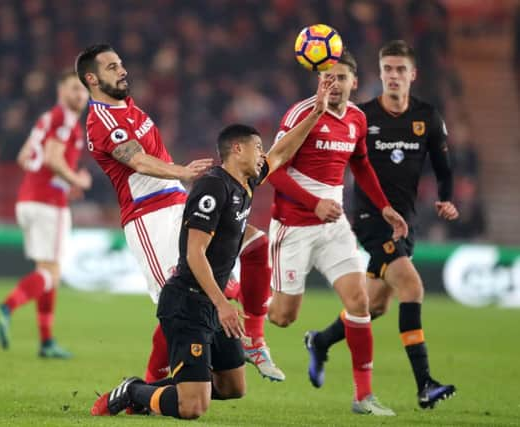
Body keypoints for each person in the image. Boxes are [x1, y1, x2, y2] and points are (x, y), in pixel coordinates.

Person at [90, 76, 334, 419]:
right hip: (189, 302)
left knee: (233, 387)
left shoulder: (245, 183)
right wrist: (223, 304)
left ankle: (161, 389)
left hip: (213, 302)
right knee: (192, 408)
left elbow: (281, 154)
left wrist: (316, 113)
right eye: (256, 147)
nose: (263, 154)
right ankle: (133, 392)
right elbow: (193, 253)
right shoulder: (212, 189)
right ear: (237, 150)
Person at [74, 44, 284, 383]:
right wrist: (180, 172)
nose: (123, 70)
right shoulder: (101, 121)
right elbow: (137, 160)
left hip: (177, 202)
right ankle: (143, 389)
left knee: (255, 243)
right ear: (92, 78)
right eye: (112, 67)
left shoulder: (129, 107)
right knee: (179, 299)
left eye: (121, 63)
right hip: (148, 218)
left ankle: (255, 339)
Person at [306, 40, 459, 409]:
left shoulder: (427, 117)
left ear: (412, 75)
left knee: (373, 306)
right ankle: (425, 385)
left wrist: (447, 197)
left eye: (400, 69)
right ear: (379, 73)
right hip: (370, 219)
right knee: (412, 286)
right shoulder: (362, 116)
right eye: (387, 69)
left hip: (405, 221)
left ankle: (321, 341)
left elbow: (443, 165)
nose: (393, 76)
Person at [266, 51, 408, 416]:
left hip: (334, 228)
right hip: (293, 228)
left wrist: (384, 206)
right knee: (283, 318)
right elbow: (273, 170)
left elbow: (360, 164)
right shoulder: (301, 114)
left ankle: (363, 397)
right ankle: (245, 299)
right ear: (318, 81)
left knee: (360, 303)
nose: (333, 84)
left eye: (341, 78)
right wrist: (313, 203)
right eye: (327, 78)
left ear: (354, 82)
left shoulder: (357, 119)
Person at [0, 70, 91, 358]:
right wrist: (76, 180)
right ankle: (4, 308)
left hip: (28, 200)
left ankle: (46, 342)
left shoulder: (45, 119)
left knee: (45, 271)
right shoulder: (64, 120)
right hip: (48, 205)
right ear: (61, 91)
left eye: (83, 91)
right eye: (74, 89)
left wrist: (59, 179)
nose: (80, 96)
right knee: (51, 274)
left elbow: (25, 158)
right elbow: (52, 158)